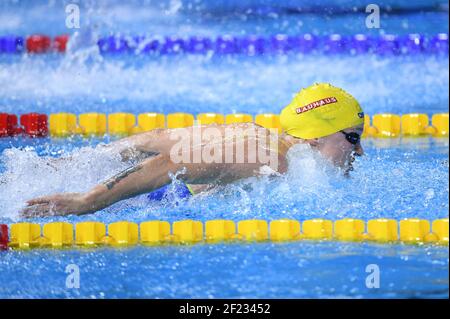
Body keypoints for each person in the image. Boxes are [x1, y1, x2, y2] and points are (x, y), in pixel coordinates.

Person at [20, 83, 365, 218]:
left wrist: (62, 166)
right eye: (352, 137)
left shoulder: (259, 136)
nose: (360, 150)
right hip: (140, 201)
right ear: (316, 137)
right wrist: (87, 201)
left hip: (131, 190)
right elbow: (170, 162)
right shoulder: (269, 158)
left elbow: (153, 138)